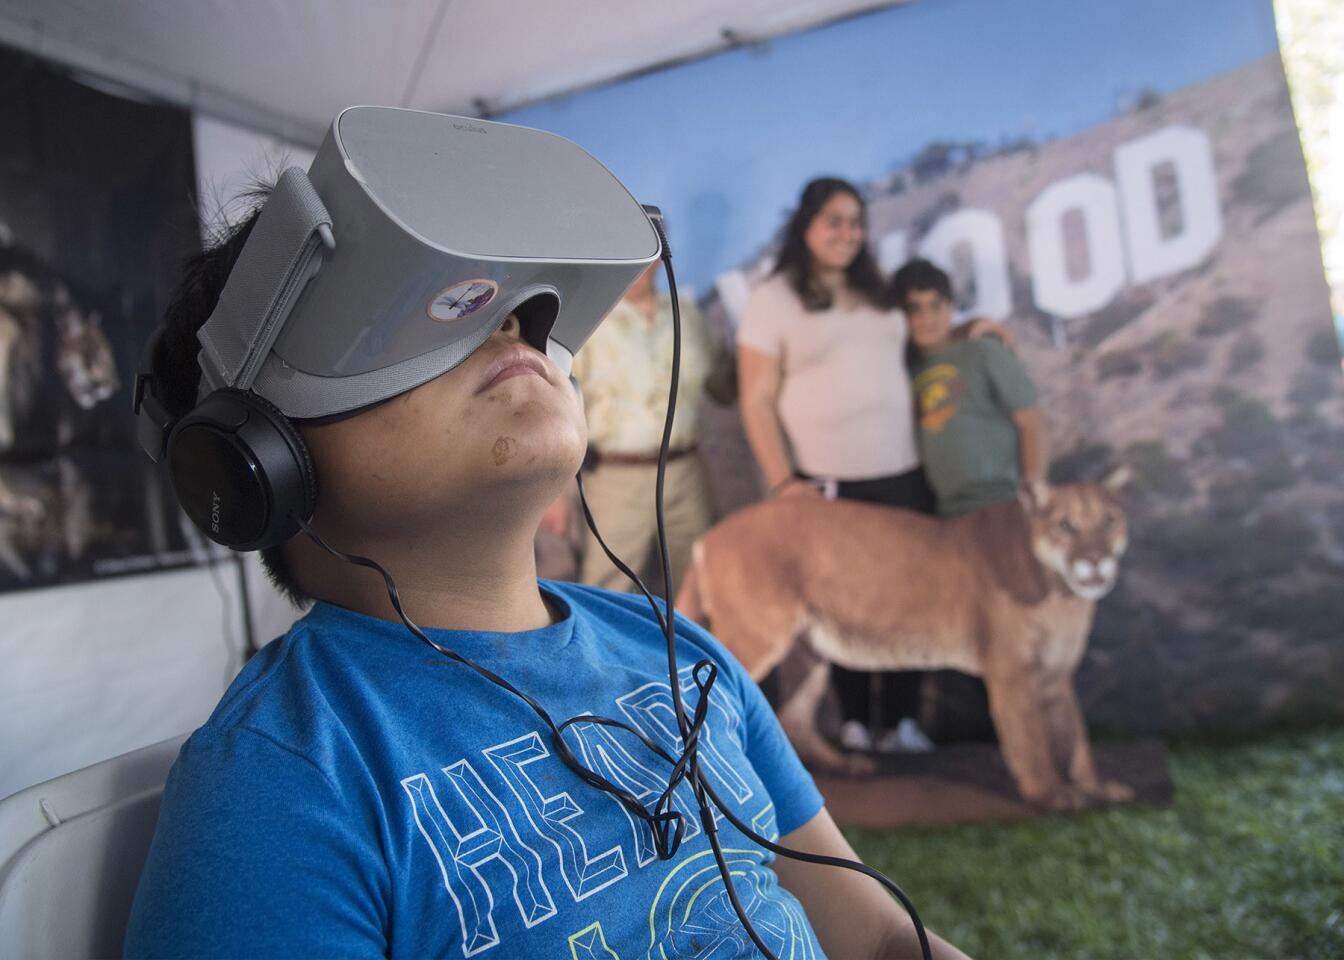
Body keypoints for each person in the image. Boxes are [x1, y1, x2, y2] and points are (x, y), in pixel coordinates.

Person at [123, 192, 968, 958]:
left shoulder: (682, 651)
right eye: (399, 315)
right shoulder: (282, 778)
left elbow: (886, 940)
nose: (504, 322)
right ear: (251, 460)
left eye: (500, 302)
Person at [737, 177, 937, 756]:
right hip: (831, 481)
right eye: (835, 221)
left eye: (856, 222)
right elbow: (755, 399)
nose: (848, 233)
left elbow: (926, 338)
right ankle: (854, 721)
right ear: (806, 227)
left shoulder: (878, 291)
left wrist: (975, 331)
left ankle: (900, 724)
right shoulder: (773, 299)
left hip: (902, 472)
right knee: (847, 605)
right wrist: (782, 481)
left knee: (908, 600)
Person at [542, 261, 716, 597]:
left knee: (700, 579)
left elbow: (724, 382)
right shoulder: (589, 322)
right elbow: (558, 406)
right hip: (615, 476)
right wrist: (556, 494)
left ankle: (692, 651)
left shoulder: (687, 314)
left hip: (686, 471)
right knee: (610, 585)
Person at [893, 258, 1047, 515]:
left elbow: (1030, 421)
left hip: (1003, 501)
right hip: (948, 514)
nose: (926, 318)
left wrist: (1032, 495)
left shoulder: (983, 350)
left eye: (935, 306)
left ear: (950, 307)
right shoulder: (904, 372)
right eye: (914, 309)